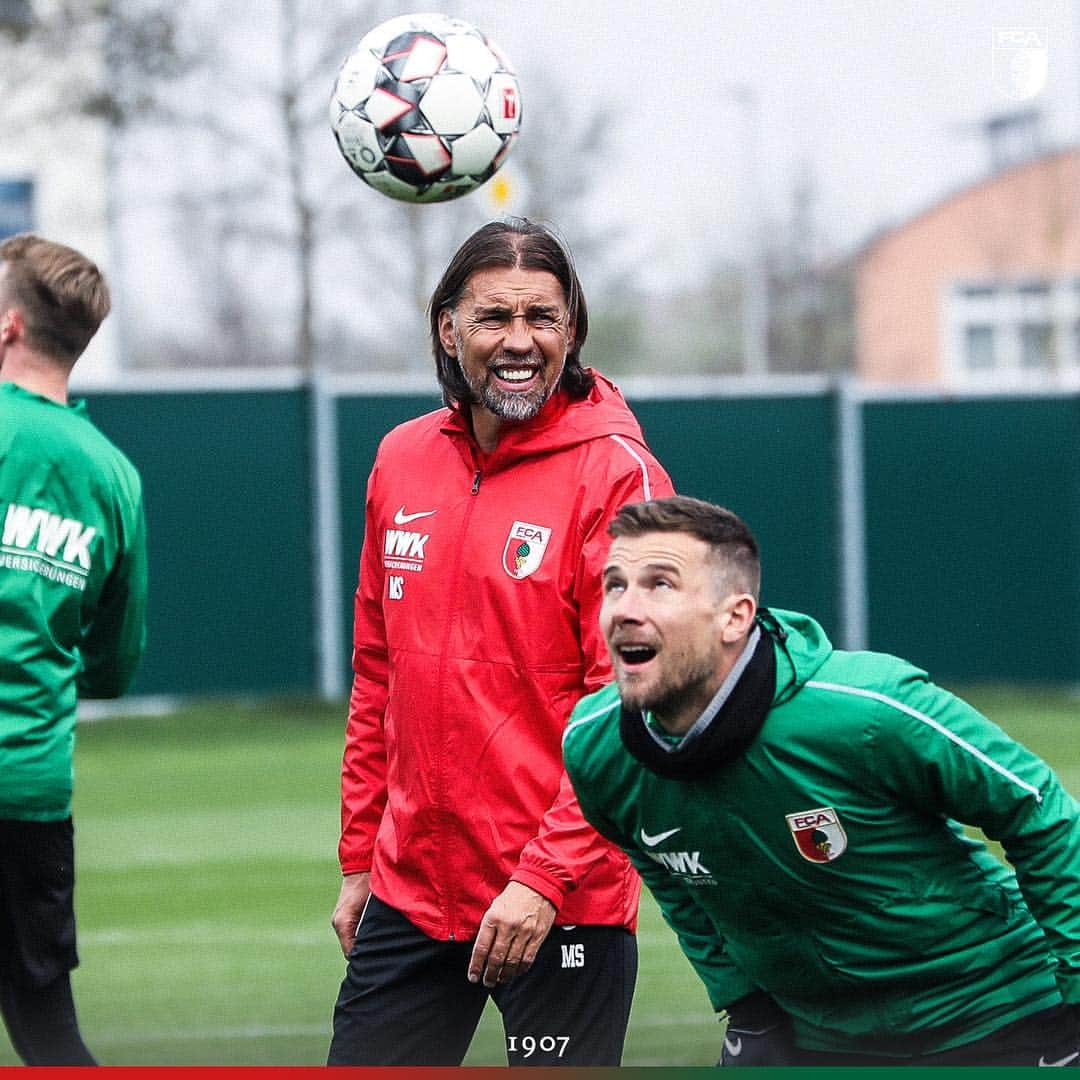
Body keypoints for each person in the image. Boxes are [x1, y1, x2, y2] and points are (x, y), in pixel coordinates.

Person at [563, 494, 1080, 1067]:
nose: (624, 609)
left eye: (659, 585)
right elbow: (670, 875)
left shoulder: (867, 710)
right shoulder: (594, 747)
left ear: (735, 616)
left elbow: (1041, 812)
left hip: (996, 1012)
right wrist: (748, 1009)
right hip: (821, 1039)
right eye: (615, 584)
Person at [327, 218, 674, 1066]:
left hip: (562, 904)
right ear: (447, 328)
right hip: (413, 891)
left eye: (543, 318)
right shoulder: (400, 459)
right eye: (493, 318)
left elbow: (633, 707)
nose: (519, 342)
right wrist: (359, 856)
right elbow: (379, 675)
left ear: (573, 330)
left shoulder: (618, 475)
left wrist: (544, 881)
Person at [0, 234, 148, 1065]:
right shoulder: (114, 477)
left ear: (9, 327)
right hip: (31, 793)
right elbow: (116, 664)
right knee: (47, 1024)